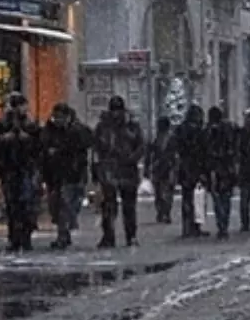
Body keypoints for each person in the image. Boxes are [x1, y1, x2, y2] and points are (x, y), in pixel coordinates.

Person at [0, 92, 41, 251]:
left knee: (24, 204)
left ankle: (22, 236)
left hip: (23, 168)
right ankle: (17, 237)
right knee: (15, 205)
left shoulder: (27, 125)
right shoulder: (4, 125)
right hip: (13, 169)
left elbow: (39, 144)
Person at [92, 96, 145, 248]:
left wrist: (131, 159)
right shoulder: (103, 127)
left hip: (127, 170)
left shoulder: (131, 126)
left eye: (118, 110)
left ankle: (131, 236)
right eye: (114, 110)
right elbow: (97, 149)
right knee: (109, 206)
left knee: (129, 206)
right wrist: (97, 169)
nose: (116, 114)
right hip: (109, 171)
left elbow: (141, 146)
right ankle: (109, 236)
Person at [42, 102, 92, 249]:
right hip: (55, 173)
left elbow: (85, 143)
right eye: (56, 117)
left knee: (67, 204)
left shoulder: (76, 130)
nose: (58, 120)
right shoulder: (50, 130)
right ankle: (64, 232)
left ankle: (63, 234)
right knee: (56, 206)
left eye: (61, 117)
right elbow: (44, 147)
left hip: (73, 174)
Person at [173, 104, 209, 238]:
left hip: (185, 169)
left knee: (187, 199)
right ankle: (195, 227)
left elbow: (177, 148)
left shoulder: (180, 130)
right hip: (197, 168)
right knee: (198, 200)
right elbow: (204, 150)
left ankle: (186, 228)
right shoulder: (200, 131)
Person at [204, 106, 238, 239]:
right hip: (225, 169)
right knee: (224, 198)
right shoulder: (229, 127)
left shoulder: (209, 130)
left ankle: (222, 225)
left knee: (218, 198)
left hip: (216, 170)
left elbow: (205, 150)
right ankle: (224, 224)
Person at [145, 116, 177, 224]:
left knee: (162, 192)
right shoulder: (169, 137)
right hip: (164, 168)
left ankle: (163, 212)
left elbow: (148, 154)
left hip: (162, 168)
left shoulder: (157, 138)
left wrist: (147, 167)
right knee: (163, 192)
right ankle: (164, 212)